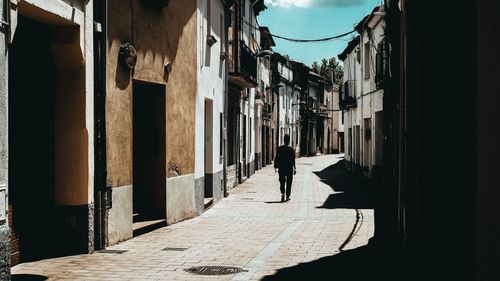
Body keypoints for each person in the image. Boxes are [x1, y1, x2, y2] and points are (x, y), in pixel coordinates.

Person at [274, 134, 296, 202]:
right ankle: (287, 196)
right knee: (289, 182)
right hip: (289, 168)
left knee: (282, 181)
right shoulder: (291, 149)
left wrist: (275, 166)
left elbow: (276, 158)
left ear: (283, 140)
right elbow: (293, 160)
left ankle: (283, 193)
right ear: (289, 141)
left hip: (282, 167)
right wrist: (294, 168)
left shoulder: (280, 149)